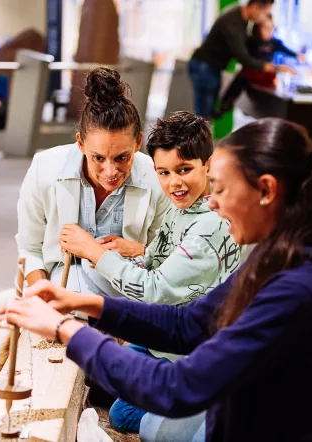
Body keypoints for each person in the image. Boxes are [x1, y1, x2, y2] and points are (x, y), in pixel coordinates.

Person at [6, 117, 312, 441]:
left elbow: (177, 388)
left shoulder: (298, 289)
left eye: (222, 189)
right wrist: (83, 305)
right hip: (246, 412)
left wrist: (66, 330)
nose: (211, 203)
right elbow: (191, 322)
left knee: (151, 421)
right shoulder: (280, 256)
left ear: (267, 190)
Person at [57, 111, 241, 434]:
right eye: (164, 172)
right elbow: (155, 259)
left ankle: (207, 404)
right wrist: (124, 254)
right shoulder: (180, 207)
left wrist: (96, 252)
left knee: (138, 424)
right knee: (111, 394)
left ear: (208, 165)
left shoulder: (209, 229)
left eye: (184, 170)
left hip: (189, 345)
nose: (174, 183)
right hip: (166, 334)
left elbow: (155, 288)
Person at [6, 67, 172, 299]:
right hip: (63, 285)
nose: (110, 171)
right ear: (80, 144)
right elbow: (30, 248)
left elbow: (169, 258)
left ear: (138, 143)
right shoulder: (44, 169)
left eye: (122, 157)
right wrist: (46, 300)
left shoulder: (157, 178)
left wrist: (140, 250)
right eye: (98, 158)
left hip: (133, 288)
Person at [187, 0, 294, 119]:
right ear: (255, 7)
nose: (264, 17)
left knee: (206, 111)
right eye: (264, 12)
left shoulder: (241, 17)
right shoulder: (232, 23)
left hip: (211, 67)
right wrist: (276, 68)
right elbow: (243, 58)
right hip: (205, 67)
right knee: (203, 115)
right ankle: (197, 137)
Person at [213, 15, 305, 118]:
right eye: (265, 27)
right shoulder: (251, 42)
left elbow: (286, 50)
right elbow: (244, 58)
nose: (269, 31)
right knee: (240, 80)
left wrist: (297, 56)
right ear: (258, 28)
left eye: (271, 28)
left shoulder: (274, 43)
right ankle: (224, 105)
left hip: (266, 77)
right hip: (251, 75)